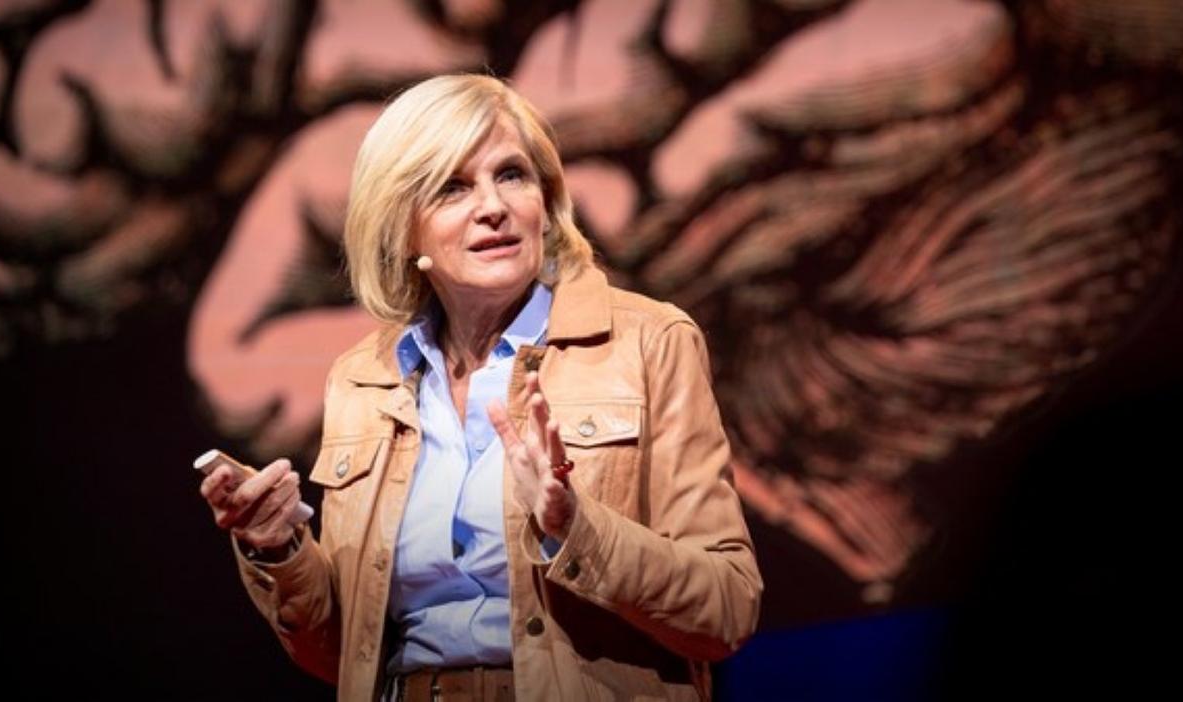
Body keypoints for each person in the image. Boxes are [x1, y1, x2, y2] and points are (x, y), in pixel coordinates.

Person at [199, 73, 762, 701]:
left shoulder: (647, 342)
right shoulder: (363, 379)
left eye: (512, 175)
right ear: (403, 226)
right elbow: (341, 656)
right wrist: (278, 549)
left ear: (546, 205)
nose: (492, 206)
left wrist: (576, 527)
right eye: (452, 187)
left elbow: (727, 608)